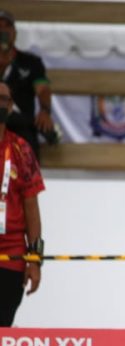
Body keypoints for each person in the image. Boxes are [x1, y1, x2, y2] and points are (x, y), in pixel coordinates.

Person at [0, 81, 44, 327]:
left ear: (11, 106)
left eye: (5, 99)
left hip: (11, 256)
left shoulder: (21, 149)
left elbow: (32, 208)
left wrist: (35, 260)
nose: (0, 103)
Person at [0, 10, 53, 160]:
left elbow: (43, 89)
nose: (2, 30)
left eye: (7, 26)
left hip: (21, 127)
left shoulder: (30, 62)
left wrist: (45, 110)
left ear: (14, 33)